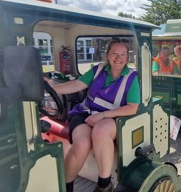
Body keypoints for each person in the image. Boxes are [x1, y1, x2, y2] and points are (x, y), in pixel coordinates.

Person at [46, 39, 140, 192]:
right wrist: (51, 89)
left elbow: (132, 108)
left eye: (123, 54)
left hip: (112, 118)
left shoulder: (131, 78)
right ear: (107, 55)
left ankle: (104, 185)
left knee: (101, 131)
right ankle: (66, 186)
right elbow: (77, 85)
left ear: (127, 58)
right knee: (82, 143)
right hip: (84, 113)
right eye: (114, 53)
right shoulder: (98, 70)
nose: (119, 58)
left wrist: (102, 115)